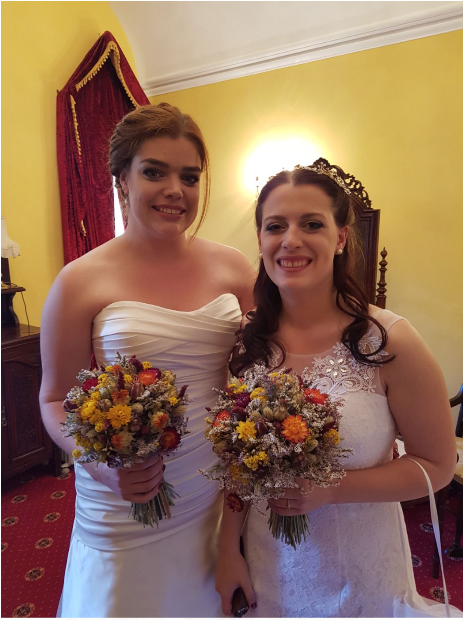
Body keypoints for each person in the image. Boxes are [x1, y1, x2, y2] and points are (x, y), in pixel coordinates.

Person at [215, 159, 460, 617]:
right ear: (261, 240)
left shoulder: (387, 340)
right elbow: (237, 465)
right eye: (275, 226)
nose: (291, 240)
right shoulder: (245, 341)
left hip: (360, 569)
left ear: (341, 236)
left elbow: (438, 466)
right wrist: (228, 549)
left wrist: (331, 488)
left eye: (311, 224)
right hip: (269, 562)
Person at [39, 103, 255, 618]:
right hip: (125, 494)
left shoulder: (233, 267)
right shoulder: (80, 280)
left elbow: (253, 391)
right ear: (122, 181)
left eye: (189, 176)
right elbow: (53, 398)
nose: (174, 190)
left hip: (211, 487)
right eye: (154, 171)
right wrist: (97, 466)